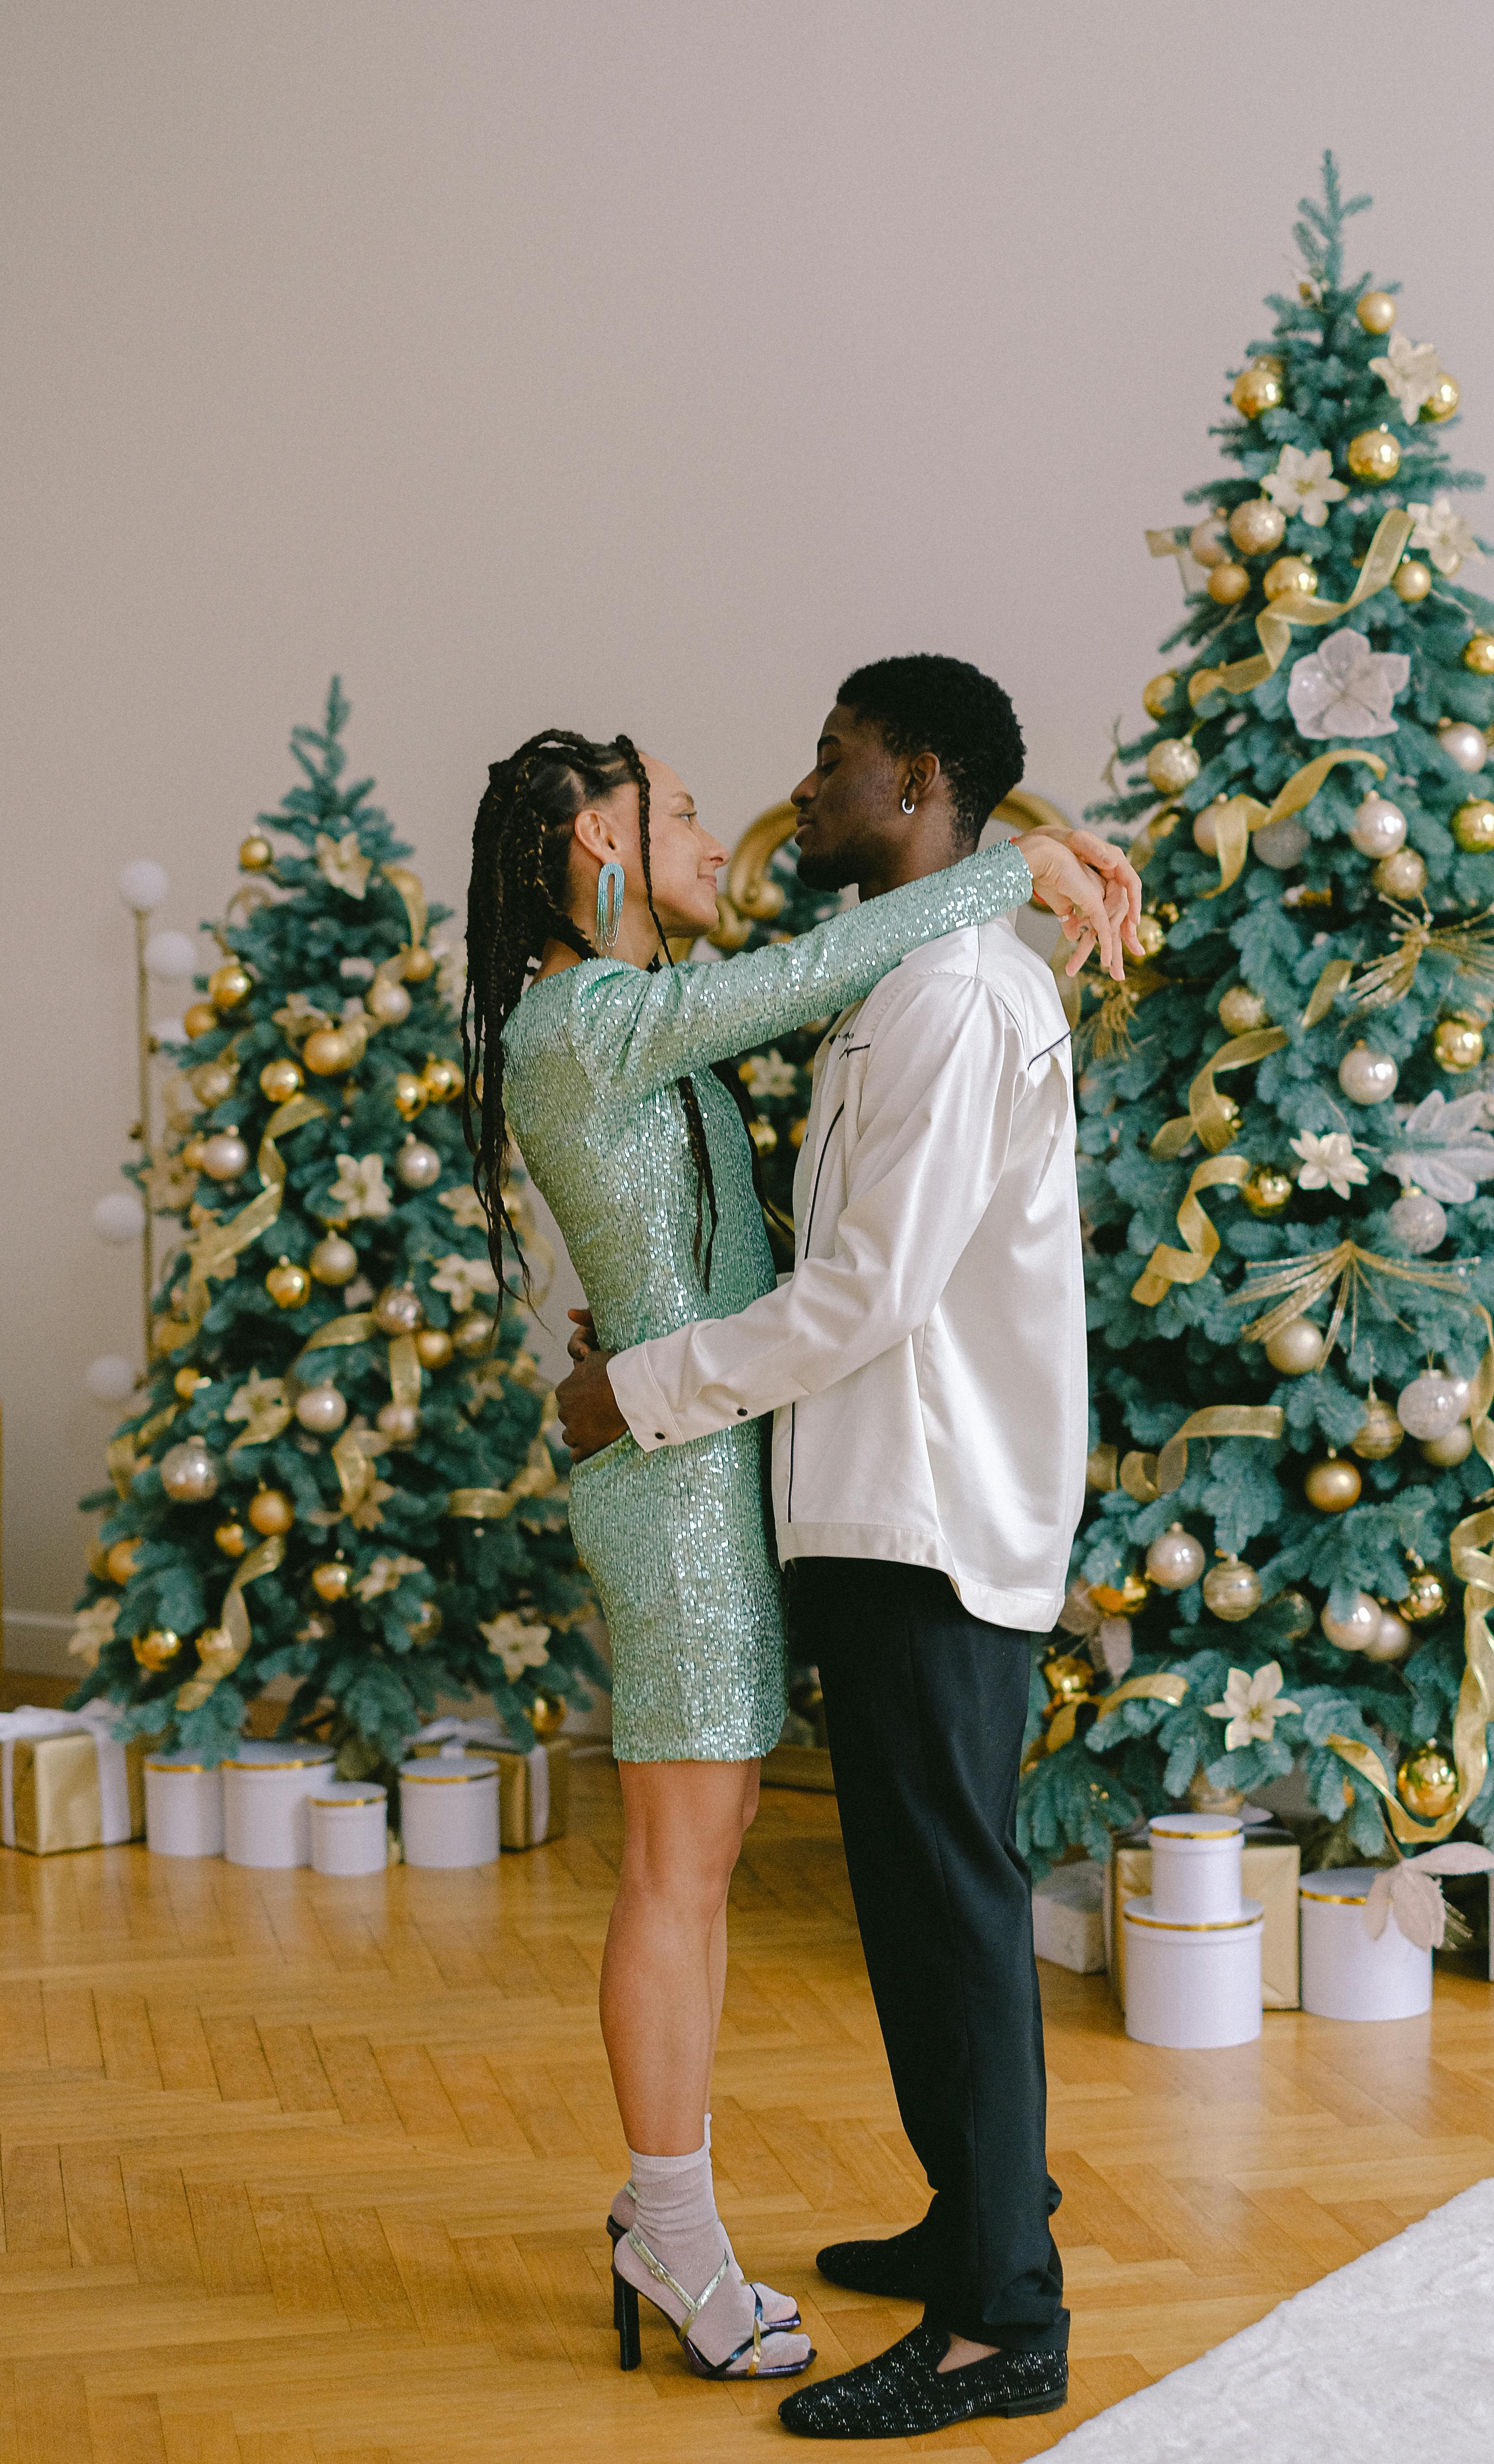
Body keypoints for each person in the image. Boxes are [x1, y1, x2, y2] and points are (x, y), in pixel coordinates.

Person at [462, 710, 1139, 2391]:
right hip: (680, 1493)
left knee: (731, 1863)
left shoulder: (641, 1022)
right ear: (602, 847)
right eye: (680, 814)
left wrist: (633, 1346)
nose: (723, 833)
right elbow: (821, 968)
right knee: (680, 1872)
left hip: (715, 1463)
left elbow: (713, 1246)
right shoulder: (592, 1016)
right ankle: (673, 2232)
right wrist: (1016, 868)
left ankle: (932, 2234)